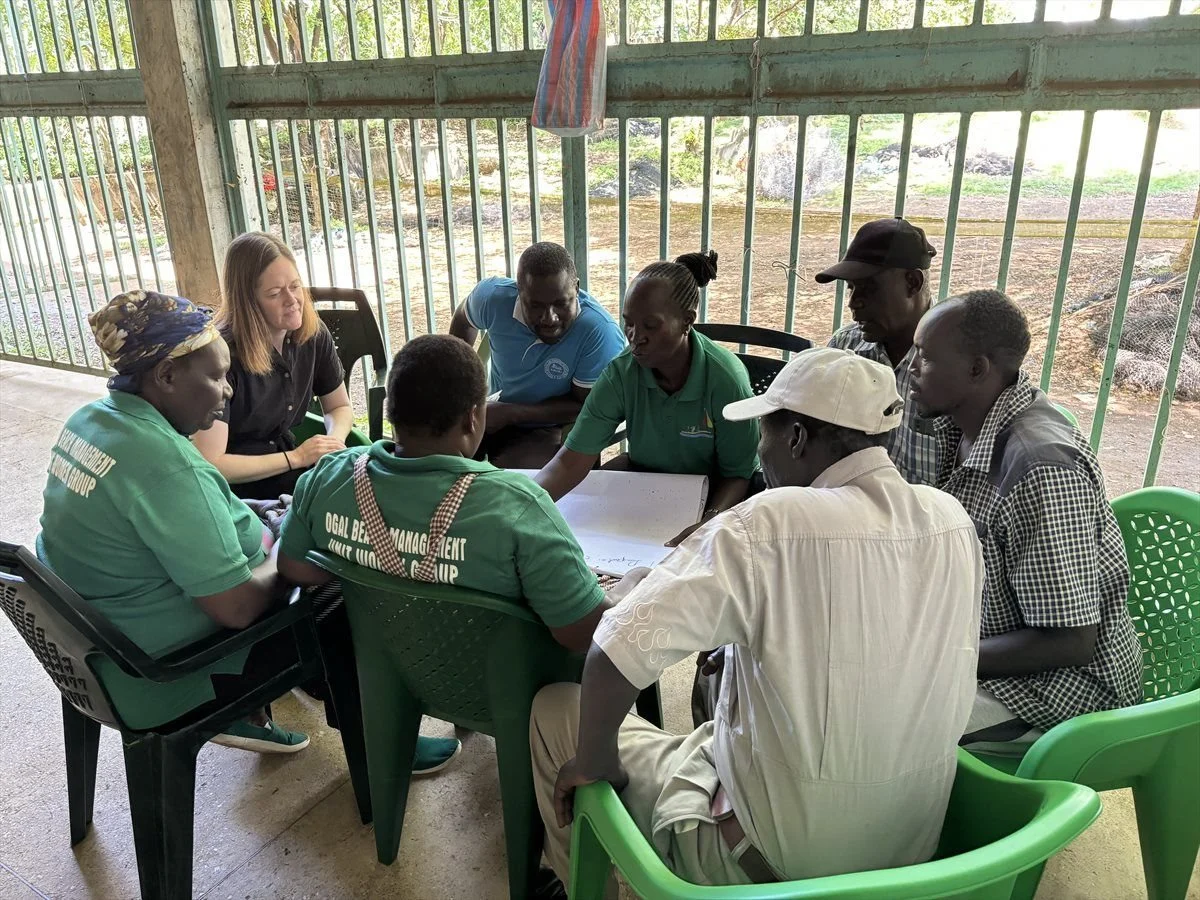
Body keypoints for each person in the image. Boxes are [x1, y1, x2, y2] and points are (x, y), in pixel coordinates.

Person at [530, 348, 984, 895]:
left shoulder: (767, 523)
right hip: (913, 863)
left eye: (765, 433)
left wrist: (596, 761)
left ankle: (582, 880)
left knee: (556, 708)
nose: (759, 451)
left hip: (772, 871)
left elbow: (612, 651)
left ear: (796, 439)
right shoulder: (951, 519)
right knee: (719, 706)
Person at [36, 290, 308, 751]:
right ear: (166, 375)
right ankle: (381, 748)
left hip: (92, 645)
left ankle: (253, 713)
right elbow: (237, 609)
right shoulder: (165, 466)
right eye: (218, 377)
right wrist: (287, 549)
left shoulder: (90, 422)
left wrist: (257, 515)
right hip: (166, 669)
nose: (228, 390)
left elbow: (176, 518)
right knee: (337, 601)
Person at [276, 333, 613, 657]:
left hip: (388, 673)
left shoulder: (327, 477)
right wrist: (632, 588)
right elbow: (582, 632)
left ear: (391, 412)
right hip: (504, 685)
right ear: (472, 418)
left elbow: (293, 567)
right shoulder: (517, 506)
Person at [909, 289, 1143, 750]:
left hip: (1060, 694)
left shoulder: (1041, 467)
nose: (911, 369)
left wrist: (935, 657)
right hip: (991, 650)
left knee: (876, 722)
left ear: (978, 369)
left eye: (926, 358)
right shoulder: (962, 425)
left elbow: (1068, 641)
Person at [535, 251, 760, 547]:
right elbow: (570, 461)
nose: (635, 336)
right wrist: (525, 502)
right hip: (647, 486)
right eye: (628, 322)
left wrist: (708, 523)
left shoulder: (725, 380)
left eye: (650, 326)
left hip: (712, 493)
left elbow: (738, 475)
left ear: (686, 322)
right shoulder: (622, 373)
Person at [194, 232, 353, 500]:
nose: (292, 300)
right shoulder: (220, 355)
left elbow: (339, 406)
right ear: (248, 302)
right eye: (275, 293)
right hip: (233, 489)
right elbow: (212, 463)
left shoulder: (313, 334)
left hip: (287, 463)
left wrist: (332, 442)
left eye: (295, 286)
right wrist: (297, 457)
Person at [448, 242, 626, 469]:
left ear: (577, 289)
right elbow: (464, 319)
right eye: (535, 306)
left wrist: (511, 413)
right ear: (518, 293)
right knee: (438, 455)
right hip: (493, 410)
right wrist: (461, 384)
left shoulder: (598, 332)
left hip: (553, 425)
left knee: (518, 478)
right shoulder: (492, 297)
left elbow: (586, 405)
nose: (549, 318)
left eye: (561, 303)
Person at [818, 216, 941, 486]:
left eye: (868, 289)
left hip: (927, 523)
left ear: (913, 282)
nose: (853, 303)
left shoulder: (955, 365)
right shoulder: (846, 348)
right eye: (850, 288)